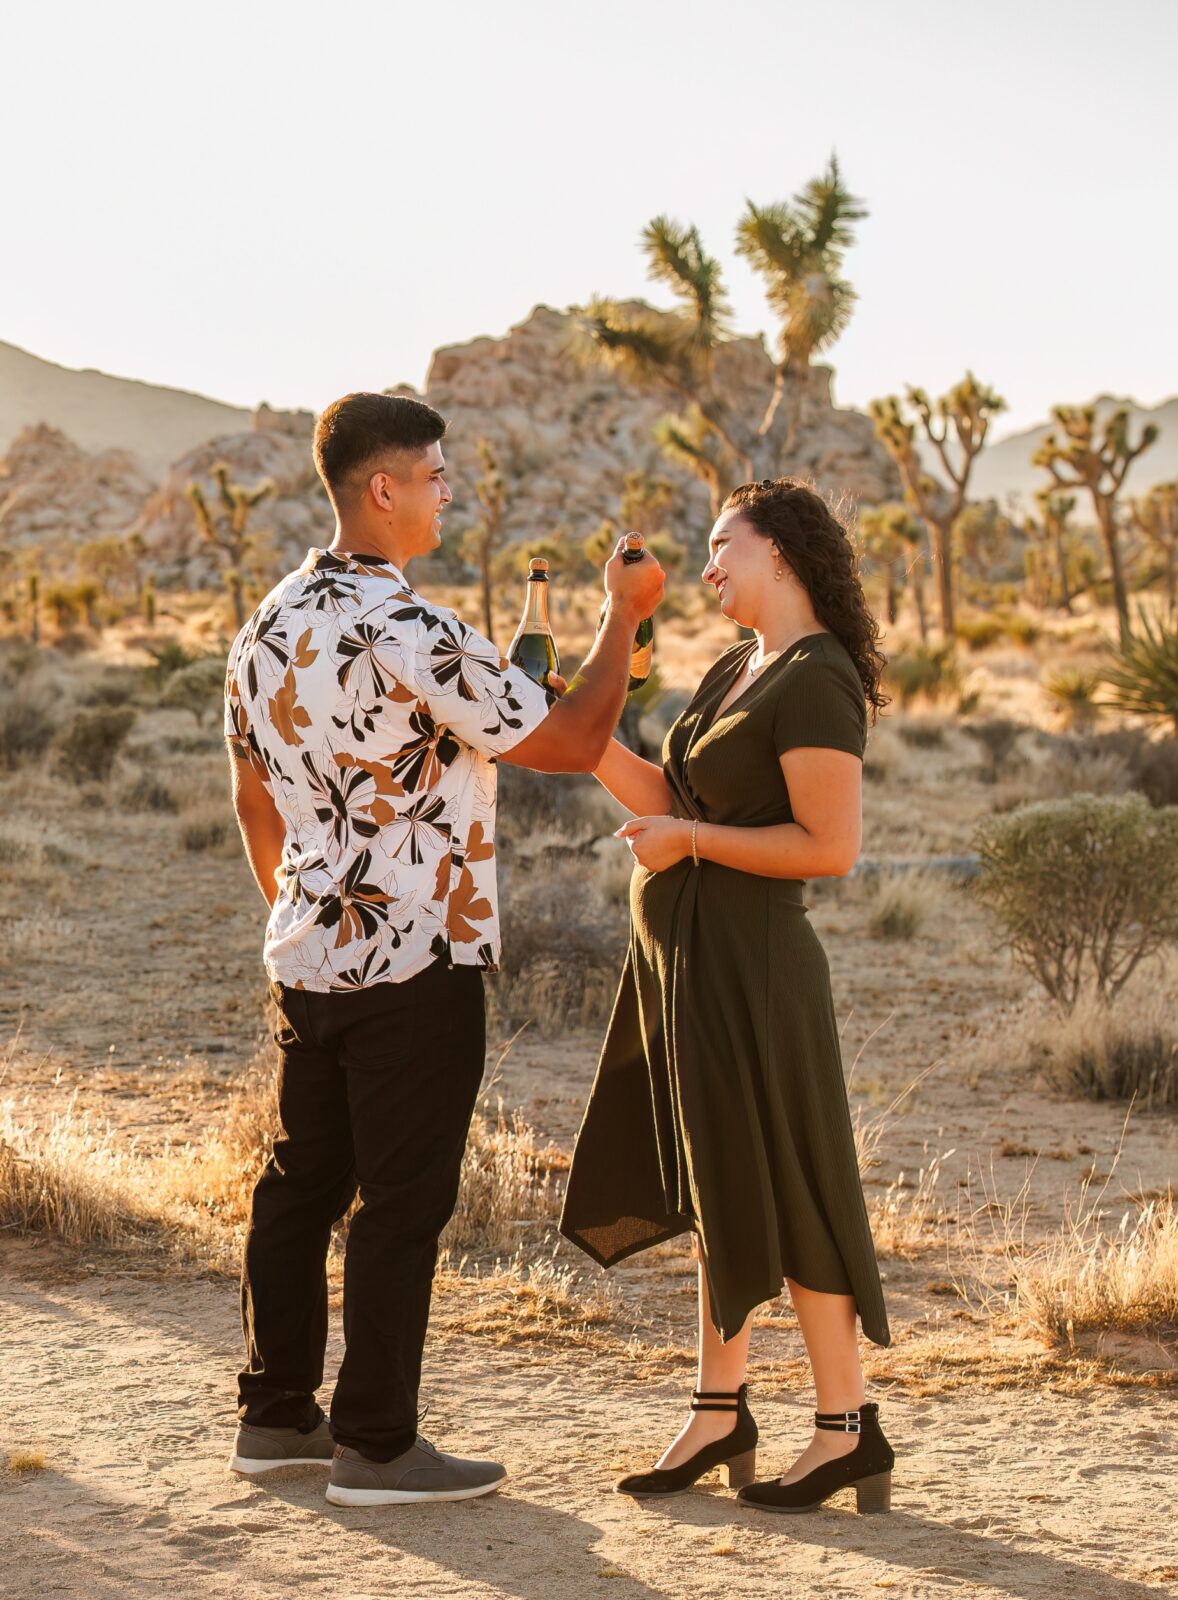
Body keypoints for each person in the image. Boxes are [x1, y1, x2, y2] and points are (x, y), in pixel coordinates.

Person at [222, 392, 664, 1507]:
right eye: (433, 475)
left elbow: (250, 797)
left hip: (309, 950)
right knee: (403, 1200)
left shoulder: (265, 623)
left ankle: (275, 1420)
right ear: (384, 489)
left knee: (297, 1188)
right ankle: (375, 1443)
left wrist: (310, 907)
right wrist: (624, 615)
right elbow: (567, 740)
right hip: (416, 952)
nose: (446, 491)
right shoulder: (408, 626)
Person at [558, 477, 896, 1514]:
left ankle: (844, 1427)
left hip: (754, 967)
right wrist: (575, 740)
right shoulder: (732, 669)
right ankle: (718, 1409)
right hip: (688, 965)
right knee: (717, 1183)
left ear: (781, 552)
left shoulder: (816, 676)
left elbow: (826, 848)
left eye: (721, 546)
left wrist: (690, 845)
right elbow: (667, 797)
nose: (703, 568)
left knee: (790, 1180)